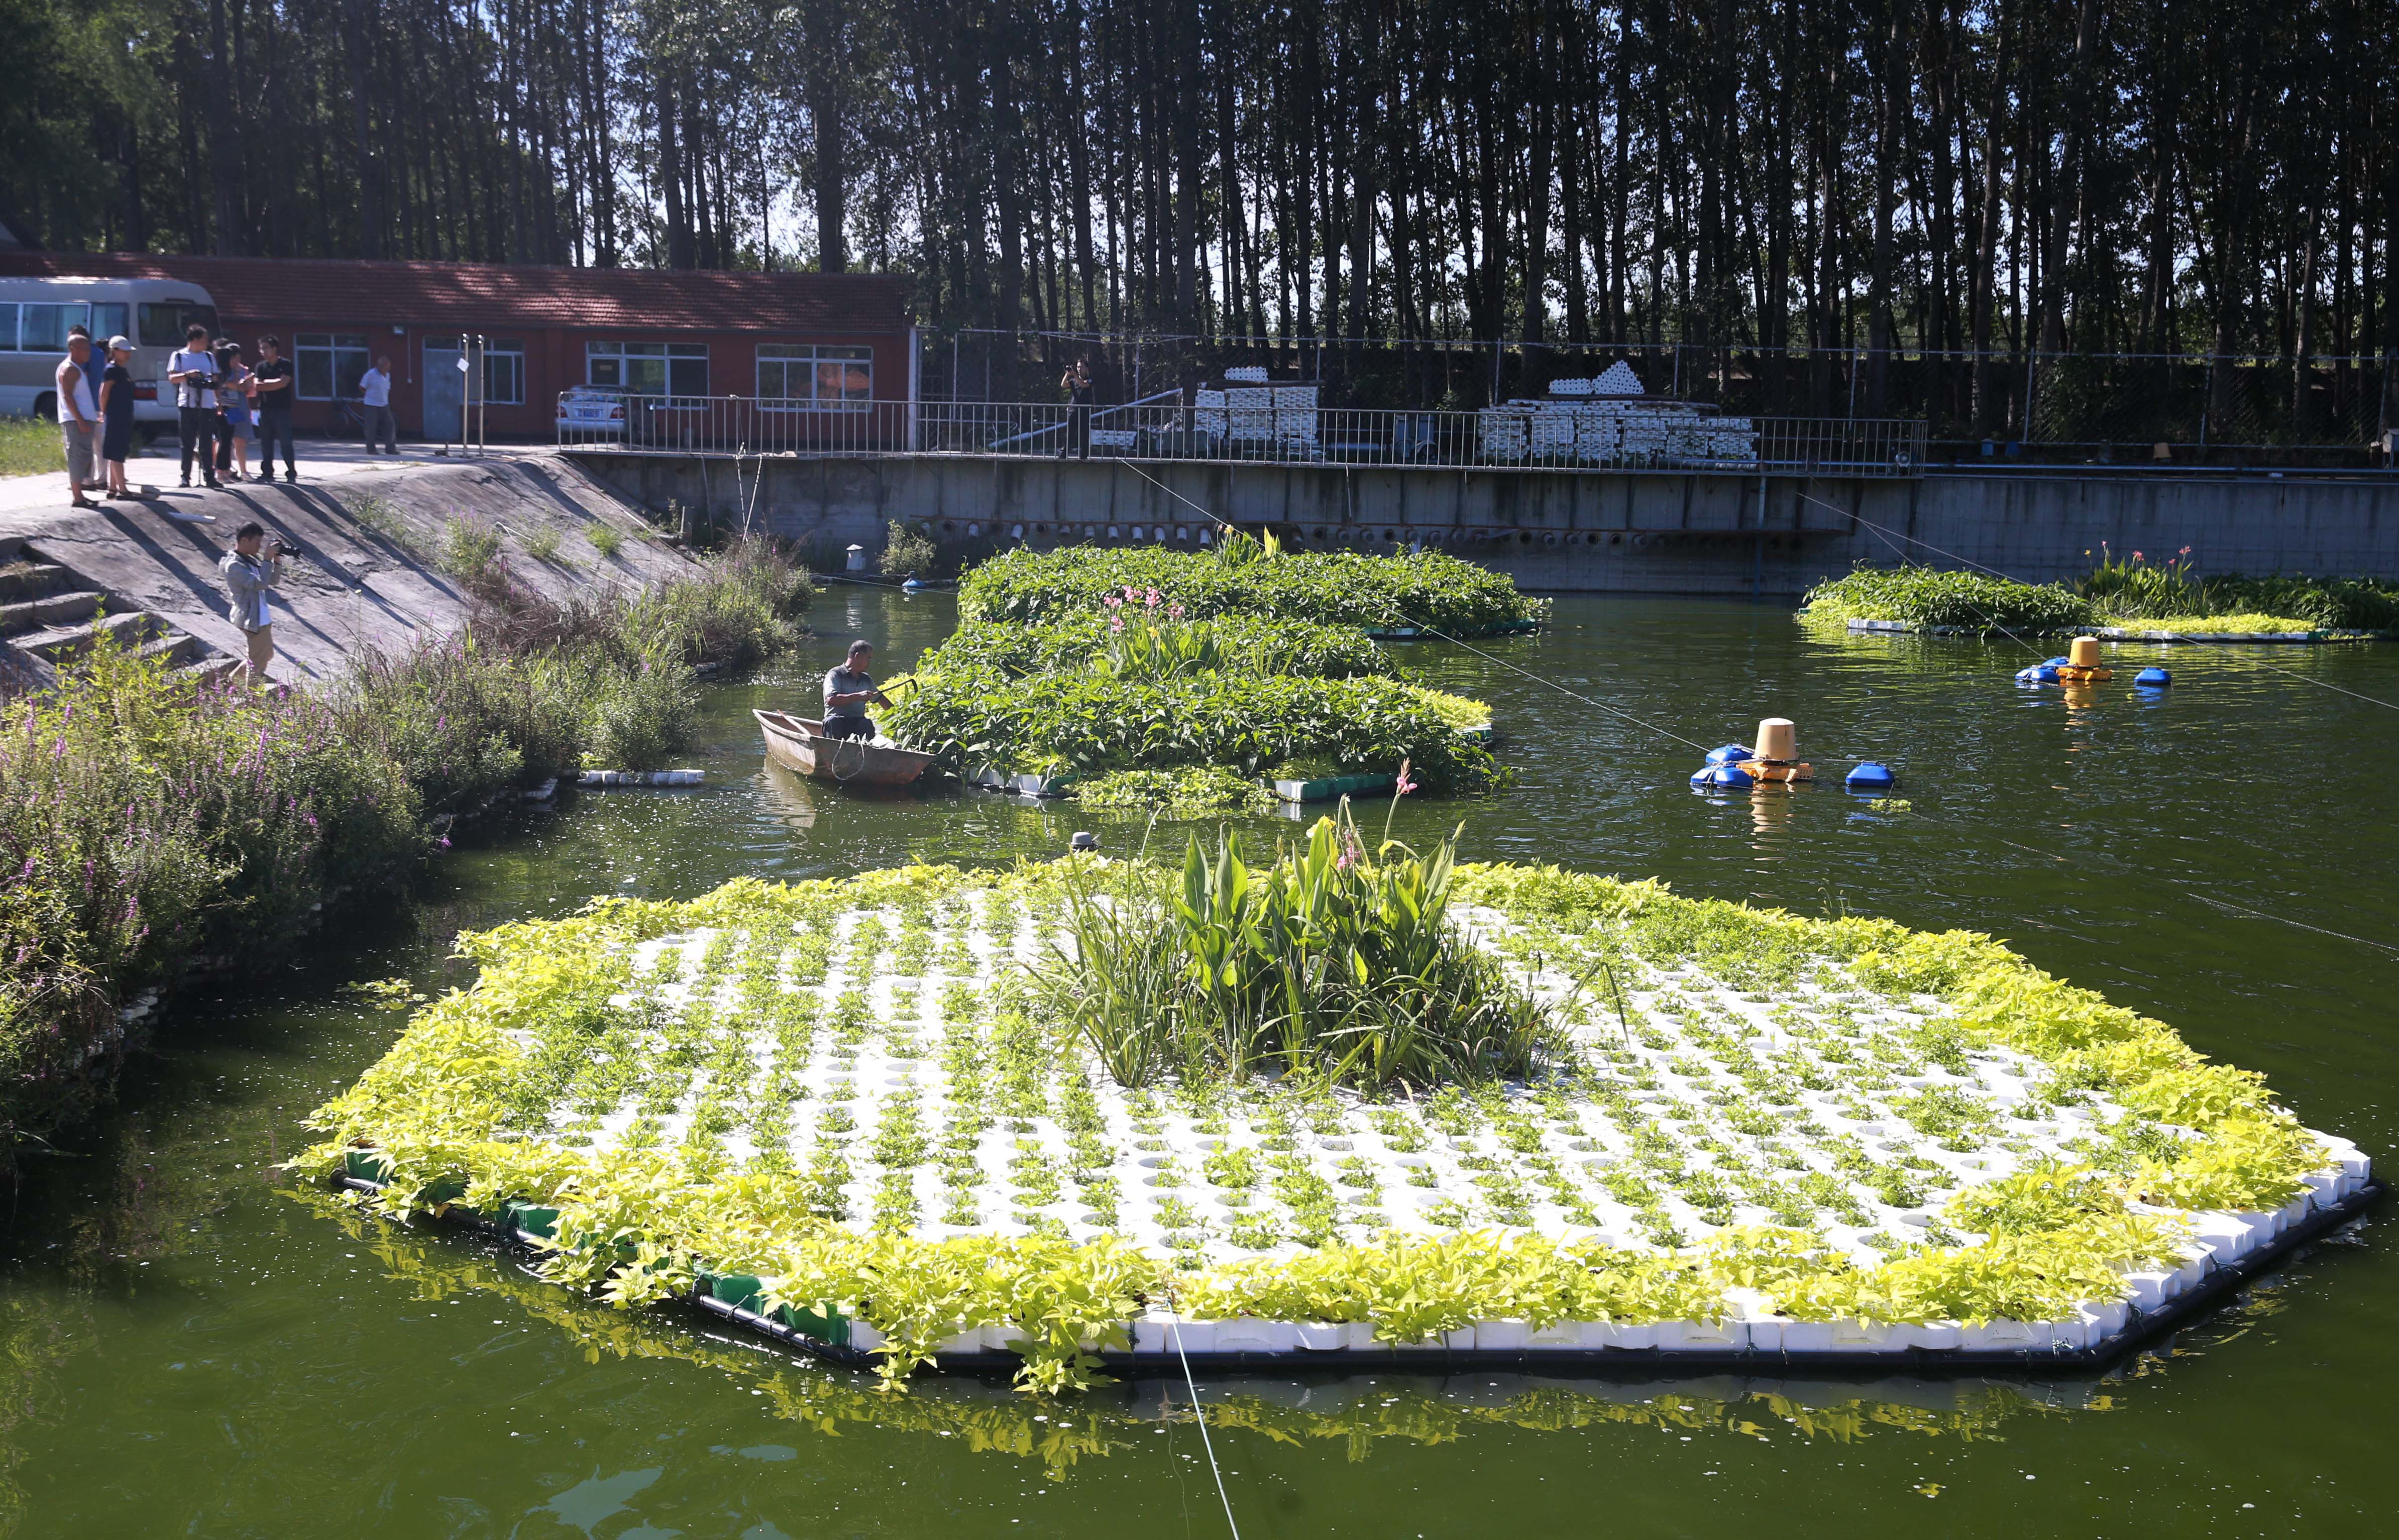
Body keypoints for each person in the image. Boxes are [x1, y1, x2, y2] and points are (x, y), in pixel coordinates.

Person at [217, 521, 286, 685]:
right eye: (258, 542)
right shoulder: (234, 565)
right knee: (258, 663)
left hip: (261, 616)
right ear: (244, 541)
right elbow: (260, 584)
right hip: (251, 618)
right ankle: (251, 700)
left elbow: (273, 581)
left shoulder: (249, 560)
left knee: (265, 654)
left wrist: (276, 561)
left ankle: (235, 680)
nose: (260, 546)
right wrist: (267, 559)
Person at [167, 322, 223, 489]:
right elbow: (172, 378)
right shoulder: (179, 356)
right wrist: (188, 375)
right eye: (205, 339)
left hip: (207, 404)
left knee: (206, 442)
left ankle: (209, 476)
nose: (208, 343)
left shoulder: (208, 357)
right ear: (196, 339)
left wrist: (218, 401)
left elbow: (215, 380)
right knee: (187, 443)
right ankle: (186, 477)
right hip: (188, 404)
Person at [54, 325, 100, 509]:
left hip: (82, 420)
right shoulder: (69, 369)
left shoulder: (76, 368)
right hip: (75, 421)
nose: (89, 353)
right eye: (85, 349)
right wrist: (81, 420)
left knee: (84, 457)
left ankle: (80, 495)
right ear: (74, 348)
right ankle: (77, 497)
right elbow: (68, 396)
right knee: (76, 456)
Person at [821, 640, 891, 740]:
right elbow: (831, 700)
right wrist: (858, 696)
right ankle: (835, 753)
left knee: (867, 724)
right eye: (869, 658)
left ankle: (863, 754)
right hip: (837, 721)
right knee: (833, 721)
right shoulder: (835, 674)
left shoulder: (866, 679)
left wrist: (900, 715)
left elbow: (882, 700)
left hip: (857, 722)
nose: (870, 662)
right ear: (858, 656)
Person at [97, 335, 138, 500]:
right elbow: (104, 393)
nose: (128, 354)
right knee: (116, 453)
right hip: (115, 416)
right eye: (124, 351)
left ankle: (113, 488)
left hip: (124, 415)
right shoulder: (111, 370)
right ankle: (123, 490)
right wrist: (104, 412)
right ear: (114, 351)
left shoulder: (123, 370)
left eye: (129, 351)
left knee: (119, 451)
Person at [251, 334, 296, 482]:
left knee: (286, 443)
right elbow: (257, 385)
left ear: (274, 348)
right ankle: (267, 473)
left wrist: (268, 384)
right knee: (266, 443)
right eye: (261, 348)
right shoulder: (261, 367)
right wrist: (274, 383)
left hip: (282, 410)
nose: (263, 351)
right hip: (265, 409)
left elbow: (284, 383)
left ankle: (291, 472)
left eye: (266, 348)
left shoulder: (286, 365)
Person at [214, 342, 257, 481]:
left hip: (233, 406)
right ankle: (221, 470)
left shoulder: (235, 371)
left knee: (230, 437)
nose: (236, 361)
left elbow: (243, 388)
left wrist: (243, 379)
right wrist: (243, 380)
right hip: (224, 407)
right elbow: (235, 386)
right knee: (224, 439)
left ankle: (227, 470)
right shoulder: (222, 372)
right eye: (233, 358)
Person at [360, 355, 398, 454]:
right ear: (380, 366)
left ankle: (391, 449)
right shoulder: (371, 374)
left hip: (384, 405)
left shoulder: (388, 375)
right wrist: (370, 396)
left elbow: (387, 388)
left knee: (390, 425)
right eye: (386, 366)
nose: (388, 368)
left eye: (389, 366)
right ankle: (371, 450)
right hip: (371, 405)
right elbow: (362, 387)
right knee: (371, 428)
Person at [1060, 358, 1095, 460]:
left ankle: (1083, 456)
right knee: (1070, 433)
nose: (1079, 369)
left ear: (1087, 368)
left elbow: (1084, 385)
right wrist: (1068, 373)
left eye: (1082, 367)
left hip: (1084, 410)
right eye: (1078, 367)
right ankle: (1063, 454)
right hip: (1073, 410)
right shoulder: (1073, 380)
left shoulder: (1090, 379)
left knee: (1084, 433)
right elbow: (1063, 385)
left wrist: (1075, 375)